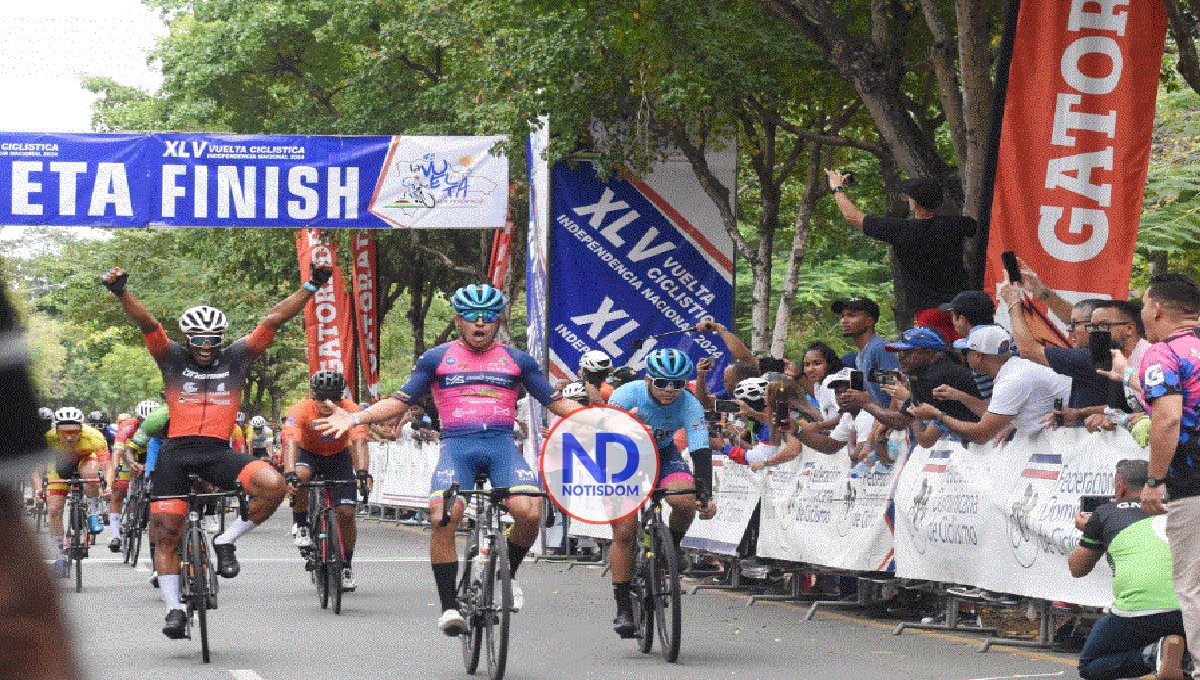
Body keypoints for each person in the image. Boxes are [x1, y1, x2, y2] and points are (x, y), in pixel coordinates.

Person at [314, 283, 581, 636]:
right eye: (472, 318)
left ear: (498, 320)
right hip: (457, 448)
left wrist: (604, 419)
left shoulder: (518, 361)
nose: (480, 324)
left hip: (502, 445)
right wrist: (356, 418)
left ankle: (506, 575)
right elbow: (400, 400)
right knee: (443, 517)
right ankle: (449, 607)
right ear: (458, 320)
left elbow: (555, 402)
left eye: (488, 318)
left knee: (530, 512)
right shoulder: (437, 358)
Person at [101, 262, 321, 639]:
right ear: (187, 339)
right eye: (199, 340)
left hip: (218, 452)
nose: (205, 347)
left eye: (213, 340)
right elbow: (148, 324)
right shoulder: (170, 358)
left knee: (274, 486)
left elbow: (274, 319)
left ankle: (225, 540)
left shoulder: (236, 357)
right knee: (167, 533)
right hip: (175, 452)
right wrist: (121, 292)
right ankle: (174, 610)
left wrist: (313, 284)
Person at [606, 348, 717, 638]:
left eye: (678, 384)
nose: (670, 390)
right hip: (624, 457)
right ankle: (622, 608)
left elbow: (701, 450)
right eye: (662, 382)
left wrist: (705, 494)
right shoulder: (626, 395)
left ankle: (672, 546)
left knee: (684, 499)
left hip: (664, 453)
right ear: (647, 380)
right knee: (626, 532)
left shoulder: (690, 405)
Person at [1070, 459, 1187, 680]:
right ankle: (1184, 660)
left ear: (1121, 485)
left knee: (1090, 665)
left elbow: (1077, 568)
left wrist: (1091, 530)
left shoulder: (1105, 512)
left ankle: (1152, 655)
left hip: (1141, 609)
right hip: (1190, 605)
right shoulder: (1180, 508)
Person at [825, 170, 976, 341]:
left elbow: (852, 216)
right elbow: (972, 226)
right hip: (962, 308)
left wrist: (837, 188)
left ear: (915, 203)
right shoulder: (956, 224)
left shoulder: (900, 230)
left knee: (937, 359)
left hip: (928, 311)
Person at [1136, 273, 1200, 673]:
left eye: (1143, 305)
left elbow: (1167, 419)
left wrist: (1155, 480)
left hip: (1193, 482)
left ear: (1157, 308)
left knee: (1194, 583)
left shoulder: (1164, 354)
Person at [283, 371, 371, 591]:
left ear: (341, 397)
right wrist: (290, 474)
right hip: (309, 455)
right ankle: (301, 523)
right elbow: (291, 444)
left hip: (338, 458)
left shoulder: (351, 410)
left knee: (347, 514)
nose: (327, 402)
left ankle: (347, 566)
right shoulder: (300, 410)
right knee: (301, 477)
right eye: (321, 397)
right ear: (313, 394)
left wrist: (362, 472)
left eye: (333, 397)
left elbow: (360, 442)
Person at [909, 325, 1070, 443]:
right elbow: (994, 413)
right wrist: (960, 396)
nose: (963, 357)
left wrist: (938, 416)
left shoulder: (1012, 380)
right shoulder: (1014, 368)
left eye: (966, 352)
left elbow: (981, 435)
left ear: (978, 356)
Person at [843, 327, 982, 448]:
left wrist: (866, 403)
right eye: (898, 353)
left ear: (928, 353)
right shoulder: (930, 373)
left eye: (906, 352)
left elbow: (901, 421)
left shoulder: (935, 377)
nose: (900, 358)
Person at [1002, 281, 1112, 409]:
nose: (1069, 329)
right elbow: (1082, 318)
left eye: (1074, 325)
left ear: (1094, 326)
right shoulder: (1110, 348)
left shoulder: (1090, 357)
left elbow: (1029, 350)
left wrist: (1013, 303)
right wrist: (1039, 289)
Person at [35, 407, 111, 577]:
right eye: (64, 432)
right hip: (59, 465)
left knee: (91, 475)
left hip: (85, 460)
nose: (69, 436)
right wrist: (39, 488)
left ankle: (92, 512)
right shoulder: (48, 439)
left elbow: (106, 464)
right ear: (56, 430)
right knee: (54, 510)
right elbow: (37, 466)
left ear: (81, 428)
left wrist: (109, 485)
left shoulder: (94, 437)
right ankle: (60, 556)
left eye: (74, 431)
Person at [107, 399, 159, 552]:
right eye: (143, 421)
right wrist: (116, 470)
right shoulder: (128, 426)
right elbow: (117, 451)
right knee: (117, 492)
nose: (147, 425)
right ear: (138, 419)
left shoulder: (162, 425)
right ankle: (116, 534)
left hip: (153, 456)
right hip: (131, 455)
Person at [831, 297, 900, 407]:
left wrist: (887, 422)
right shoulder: (860, 356)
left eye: (851, 315)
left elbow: (896, 390)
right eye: (842, 316)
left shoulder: (879, 348)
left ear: (869, 321)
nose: (844, 320)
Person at [940, 290, 1000, 399]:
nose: (952, 321)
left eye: (953, 316)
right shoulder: (1004, 334)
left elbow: (991, 406)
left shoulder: (978, 350)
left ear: (962, 320)